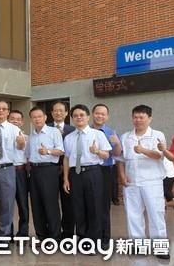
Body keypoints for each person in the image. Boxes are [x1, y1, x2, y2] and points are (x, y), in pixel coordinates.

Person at [117, 104, 169, 260]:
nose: (138, 120)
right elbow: (121, 159)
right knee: (133, 215)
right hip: (131, 182)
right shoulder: (126, 136)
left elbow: (159, 155)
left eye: (141, 117)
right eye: (135, 117)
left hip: (151, 182)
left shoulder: (157, 135)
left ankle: (160, 247)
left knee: (156, 214)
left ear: (149, 118)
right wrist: (122, 175)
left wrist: (143, 150)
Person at [61, 104, 111, 247]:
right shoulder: (69, 137)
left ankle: (94, 240)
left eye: (82, 115)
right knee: (78, 207)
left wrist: (97, 152)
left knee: (94, 207)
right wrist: (66, 178)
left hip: (93, 173)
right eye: (75, 116)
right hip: (75, 175)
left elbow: (107, 154)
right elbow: (66, 158)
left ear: (88, 117)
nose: (79, 118)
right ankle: (83, 239)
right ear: (72, 118)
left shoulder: (98, 134)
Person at [0, 100, 23, 247]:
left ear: (8, 112)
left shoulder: (14, 129)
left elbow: (20, 147)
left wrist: (21, 142)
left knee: (7, 205)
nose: (1, 111)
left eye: (4, 109)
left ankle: (4, 237)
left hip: (7, 169)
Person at [26, 106, 64, 242]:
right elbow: (27, 156)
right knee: (36, 205)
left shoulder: (54, 132)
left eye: (39, 116)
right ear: (31, 119)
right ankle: (42, 236)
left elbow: (61, 151)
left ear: (45, 117)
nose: (37, 119)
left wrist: (47, 151)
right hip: (34, 171)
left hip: (49, 170)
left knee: (51, 204)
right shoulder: (31, 136)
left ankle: (55, 237)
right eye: (34, 117)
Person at [90, 103, 122, 249]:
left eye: (103, 114)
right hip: (88, 171)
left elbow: (116, 154)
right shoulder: (85, 131)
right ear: (92, 114)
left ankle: (104, 238)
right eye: (97, 113)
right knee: (88, 204)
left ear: (107, 116)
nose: (100, 116)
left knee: (103, 205)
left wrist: (117, 144)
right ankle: (89, 237)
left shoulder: (111, 132)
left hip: (105, 171)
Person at [47, 101, 75, 239]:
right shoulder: (45, 128)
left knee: (68, 202)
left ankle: (68, 233)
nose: (58, 113)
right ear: (51, 113)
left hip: (67, 170)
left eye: (61, 110)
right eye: (55, 111)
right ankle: (54, 232)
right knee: (50, 202)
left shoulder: (73, 130)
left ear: (66, 113)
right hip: (50, 170)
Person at [8, 110, 30, 239]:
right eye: (12, 118)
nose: (15, 121)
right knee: (7, 203)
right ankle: (7, 232)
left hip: (20, 172)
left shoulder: (27, 138)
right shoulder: (3, 135)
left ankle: (23, 232)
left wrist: (22, 142)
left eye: (18, 119)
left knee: (23, 203)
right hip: (7, 170)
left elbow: (28, 157)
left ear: (22, 122)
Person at [157, 136, 174, 210]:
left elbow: (163, 167)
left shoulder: (163, 156)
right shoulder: (166, 154)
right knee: (166, 191)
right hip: (172, 175)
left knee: (162, 191)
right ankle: (166, 204)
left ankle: (164, 205)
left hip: (168, 175)